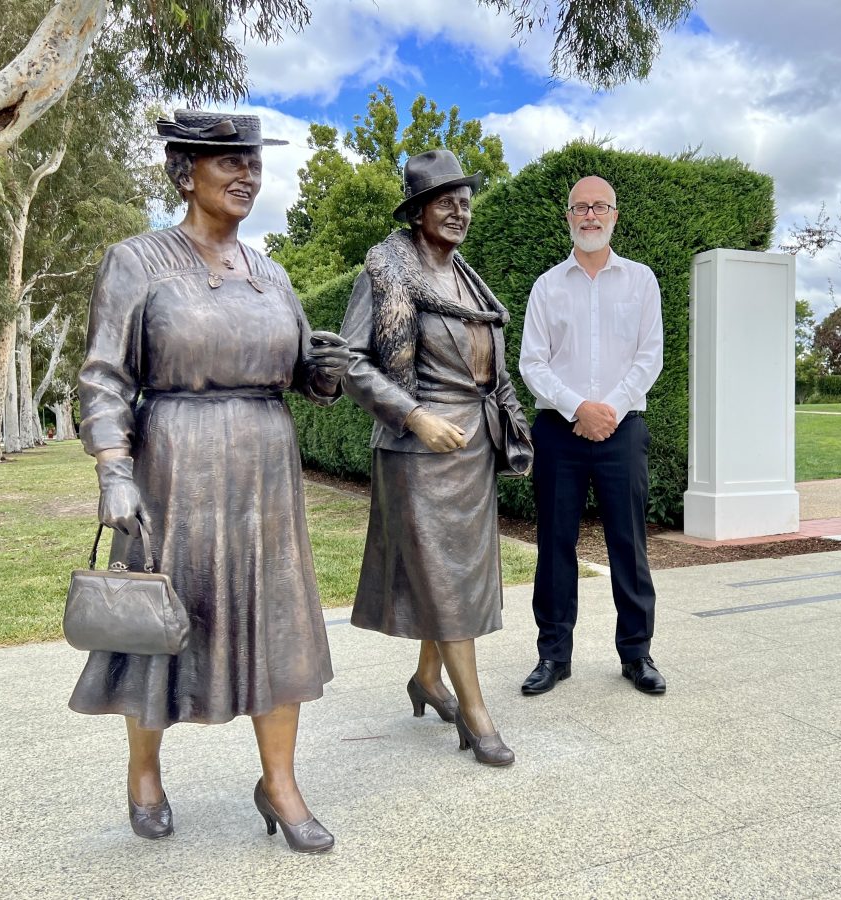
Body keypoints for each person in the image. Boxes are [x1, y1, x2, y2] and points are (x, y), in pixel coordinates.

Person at [73, 110, 349, 853]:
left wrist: (320, 376)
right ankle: (144, 773)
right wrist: (113, 468)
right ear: (183, 171)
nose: (245, 174)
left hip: (264, 474)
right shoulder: (136, 261)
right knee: (155, 627)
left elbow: (297, 374)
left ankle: (280, 785)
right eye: (226, 161)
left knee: (281, 625)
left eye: (252, 162)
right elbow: (102, 377)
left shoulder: (273, 272)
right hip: (173, 464)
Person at [340, 149, 527, 766]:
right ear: (418, 211)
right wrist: (415, 417)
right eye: (444, 200)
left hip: (471, 449)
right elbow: (352, 363)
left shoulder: (470, 281)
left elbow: (489, 369)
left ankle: (427, 678)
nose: (458, 210)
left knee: (456, 577)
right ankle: (476, 715)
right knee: (445, 579)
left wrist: (506, 425)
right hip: (415, 450)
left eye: (465, 199)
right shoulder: (386, 272)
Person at [518, 175, 666, 696]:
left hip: (623, 431)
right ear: (568, 218)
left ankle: (637, 654)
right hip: (560, 431)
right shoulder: (546, 286)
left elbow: (651, 357)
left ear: (614, 216)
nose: (590, 215)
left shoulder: (641, 281)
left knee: (630, 544)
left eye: (600, 206)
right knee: (554, 545)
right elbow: (532, 362)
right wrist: (578, 407)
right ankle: (553, 656)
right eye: (580, 207)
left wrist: (611, 410)